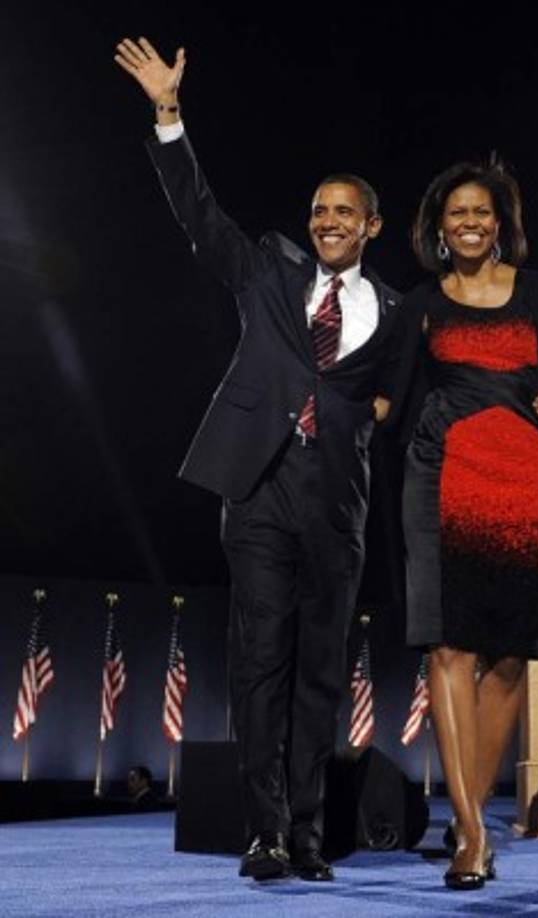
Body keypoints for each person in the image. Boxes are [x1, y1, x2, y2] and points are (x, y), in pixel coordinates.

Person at [114, 37, 402, 882]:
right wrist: (169, 114)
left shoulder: (395, 310)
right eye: (318, 211)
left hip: (337, 503)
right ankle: (266, 833)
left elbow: (403, 394)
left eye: (344, 212)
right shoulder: (269, 274)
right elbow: (199, 216)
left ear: (371, 225)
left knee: (320, 671)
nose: (327, 222)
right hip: (257, 488)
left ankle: (310, 836)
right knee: (258, 665)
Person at [387, 159, 538, 890]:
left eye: (481, 212)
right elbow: (387, 392)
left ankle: (467, 810)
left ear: (499, 223)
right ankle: (472, 833)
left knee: (506, 655)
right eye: (455, 214)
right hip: (438, 475)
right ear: (438, 229)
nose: (469, 222)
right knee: (447, 646)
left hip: (521, 481)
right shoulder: (421, 302)